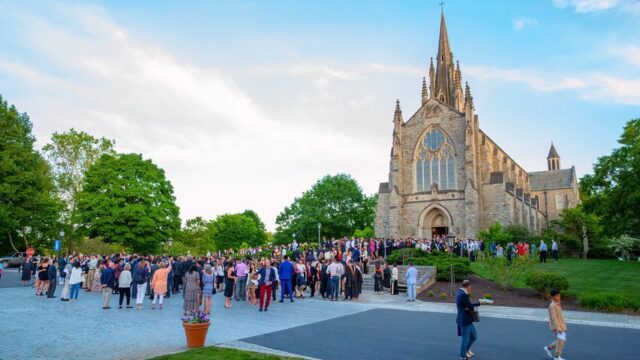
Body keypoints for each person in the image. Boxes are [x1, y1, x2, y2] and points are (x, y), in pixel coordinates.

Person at [456, 279, 481, 360]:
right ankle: (462, 356)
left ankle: (466, 350)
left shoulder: (460, 292)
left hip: (467, 320)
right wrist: (474, 306)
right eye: (470, 287)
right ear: (468, 286)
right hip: (465, 320)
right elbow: (470, 306)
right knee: (465, 340)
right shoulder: (463, 295)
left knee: (474, 336)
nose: (471, 288)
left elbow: (468, 305)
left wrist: (479, 303)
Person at [544, 289, 568, 360]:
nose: (559, 297)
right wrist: (558, 328)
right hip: (558, 326)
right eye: (557, 296)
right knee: (561, 340)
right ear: (552, 297)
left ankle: (548, 348)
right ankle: (557, 356)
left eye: (559, 296)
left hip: (561, 325)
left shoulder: (557, 304)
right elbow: (554, 318)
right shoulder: (552, 306)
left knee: (561, 340)